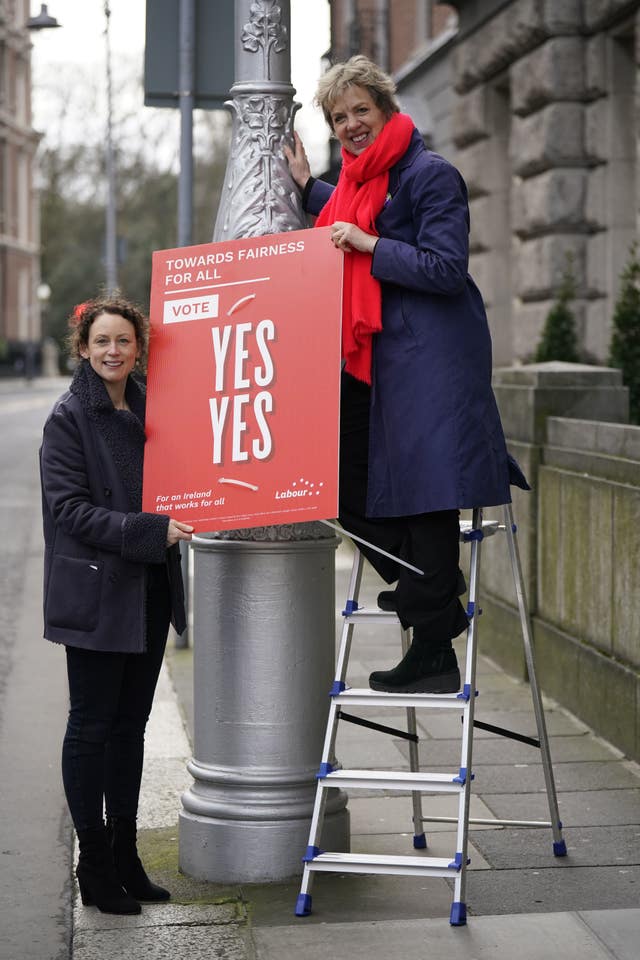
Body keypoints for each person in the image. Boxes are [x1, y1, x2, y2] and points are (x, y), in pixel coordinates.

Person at [285, 55, 527, 695]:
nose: (351, 125)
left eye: (360, 110)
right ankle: (432, 587)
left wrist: (370, 249)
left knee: (425, 490)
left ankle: (431, 648)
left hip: (430, 358)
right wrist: (310, 188)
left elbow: (446, 267)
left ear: (385, 108)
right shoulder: (357, 181)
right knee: (335, 479)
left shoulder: (431, 175)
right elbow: (348, 212)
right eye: (339, 118)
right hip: (378, 358)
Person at [39, 296, 194, 915]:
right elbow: (69, 510)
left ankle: (127, 857)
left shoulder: (154, 405)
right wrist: (151, 532)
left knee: (132, 728)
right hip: (99, 589)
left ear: (138, 348)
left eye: (124, 342)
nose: (112, 352)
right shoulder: (69, 416)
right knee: (92, 728)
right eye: (102, 341)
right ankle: (94, 864)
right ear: (83, 348)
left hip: (150, 586)